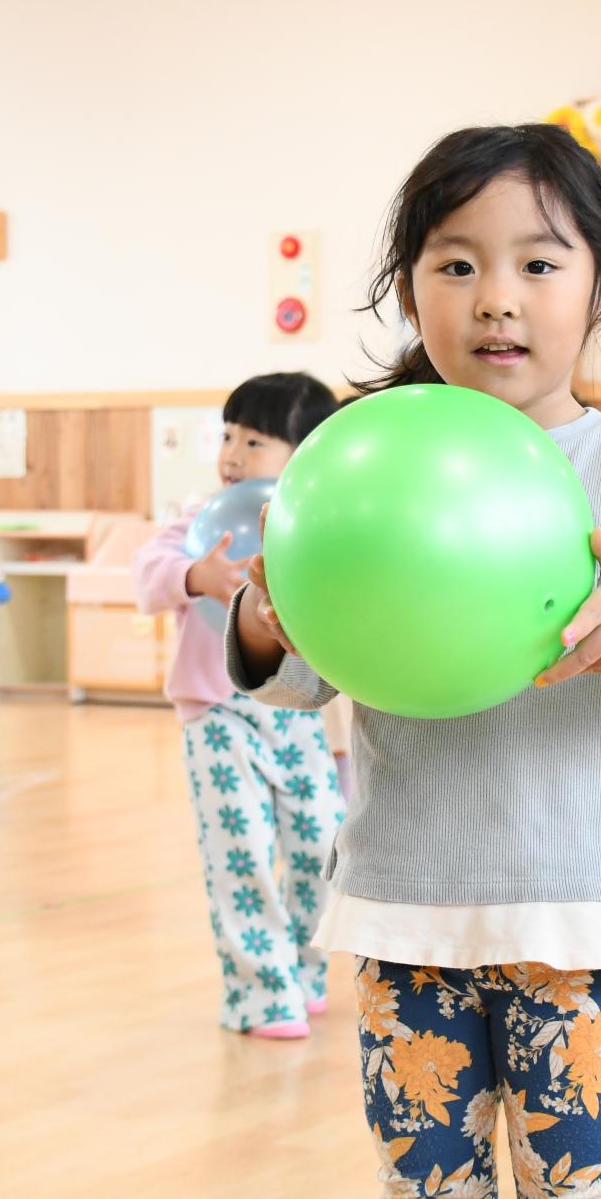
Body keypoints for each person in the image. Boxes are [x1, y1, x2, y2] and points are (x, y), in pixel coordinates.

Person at [231, 125, 601, 1192]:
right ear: (409, 289)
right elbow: (300, 671)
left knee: (574, 1184)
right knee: (426, 1183)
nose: (496, 297)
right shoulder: (364, 459)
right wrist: (268, 616)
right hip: (406, 899)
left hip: (580, 905)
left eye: (538, 263)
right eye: (455, 264)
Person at [132, 372, 347, 1038]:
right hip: (217, 715)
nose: (231, 453)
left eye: (254, 441)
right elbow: (147, 573)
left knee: (321, 848)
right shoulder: (203, 522)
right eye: (227, 435)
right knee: (243, 855)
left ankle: (304, 972)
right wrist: (196, 574)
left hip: (303, 718)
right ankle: (258, 992)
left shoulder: (322, 529)